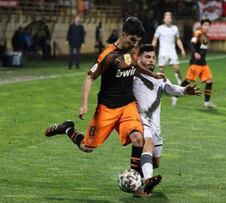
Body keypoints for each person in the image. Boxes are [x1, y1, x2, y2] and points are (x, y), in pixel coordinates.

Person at [44, 17, 162, 196]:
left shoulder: (131, 50)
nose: (134, 43)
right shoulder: (108, 55)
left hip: (128, 106)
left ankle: (137, 187)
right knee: (87, 147)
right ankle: (67, 128)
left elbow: (135, 66)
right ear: (123, 35)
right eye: (132, 39)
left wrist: (153, 74)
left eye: (137, 40)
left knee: (138, 139)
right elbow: (90, 76)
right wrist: (84, 104)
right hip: (107, 109)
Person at [133, 44, 201, 182]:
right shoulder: (133, 75)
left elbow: (170, 89)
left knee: (156, 162)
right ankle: (147, 181)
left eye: (153, 57)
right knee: (148, 144)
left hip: (156, 125)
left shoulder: (160, 78)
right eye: (147, 57)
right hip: (141, 121)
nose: (151, 60)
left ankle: (135, 177)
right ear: (139, 58)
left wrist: (185, 90)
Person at [178, 19, 216, 108]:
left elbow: (203, 49)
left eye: (208, 25)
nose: (207, 27)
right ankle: (175, 94)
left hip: (203, 64)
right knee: (188, 81)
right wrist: (195, 53)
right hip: (195, 63)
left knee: (210, 81)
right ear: (202, 26)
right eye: (205, 25)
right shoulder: (198, 33)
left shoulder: (206, 36)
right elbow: (191, 43)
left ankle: (207, 102)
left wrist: (201, 53)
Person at [152, 12, 186, 85]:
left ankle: (181, 84)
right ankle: (162, 85)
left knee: (176, 68)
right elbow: (155, 39)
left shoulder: (175, 28)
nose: (167, 19)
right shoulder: (160, 28)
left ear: (171, 19)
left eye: (169, 18)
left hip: (172, 51)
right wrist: (151, 50)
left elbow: (178, 39)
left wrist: (182, 49)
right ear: (164, 19)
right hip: (163, 52)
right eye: (166, 18)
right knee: (161, 70)